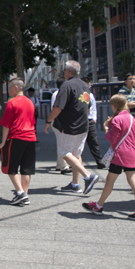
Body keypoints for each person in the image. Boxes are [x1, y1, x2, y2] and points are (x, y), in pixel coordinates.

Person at [82, 94, 135, 222]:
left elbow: (114, 140)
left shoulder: (116, 120)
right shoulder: (132, 119)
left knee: (109, 181)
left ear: (114, 106)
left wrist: (107, 129)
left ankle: (98, 206)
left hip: (119, 155)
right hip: (132, 154)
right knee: (133, 182)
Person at [44, 60, 99, 195]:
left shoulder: (66, 86)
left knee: (64, 153)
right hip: (83, 125)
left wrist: (48, 121)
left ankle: (88, 175)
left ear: (68, 72)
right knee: (76, 154)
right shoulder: (85, 86)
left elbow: (58, 107)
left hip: (69, 125)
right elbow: (87, 106)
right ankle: (75, 184)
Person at [0, 79, 37, 206]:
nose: (9, 90)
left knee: (11, 167)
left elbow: (6, 124)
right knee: (26, 169)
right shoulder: (30, 102)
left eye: (10, 88)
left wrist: (3, 142)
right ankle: (24, 194)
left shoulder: (11, 102)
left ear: (16, 88)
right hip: (31, 137)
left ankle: (20, 193)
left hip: (16, 137)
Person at [81, 77, 105, 169]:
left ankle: (99, 161)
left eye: (88, 84)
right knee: (79, 143)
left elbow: (94, 108)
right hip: (81, 121)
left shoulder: (90, 95)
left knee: (93, 142)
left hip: (90, 120)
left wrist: (94, 119)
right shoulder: (80, 94)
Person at [50, 78, 71, 174]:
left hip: (58, 120)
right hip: (58, 120)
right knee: (62, 143)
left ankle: (59, 164)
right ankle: (63, 166)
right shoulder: (59, 94)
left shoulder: (57, 93)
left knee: (60, 142)